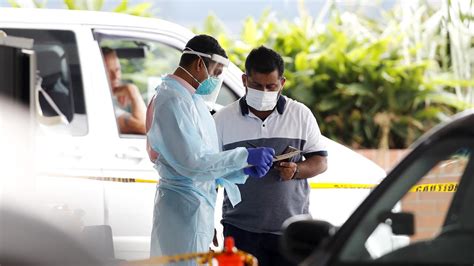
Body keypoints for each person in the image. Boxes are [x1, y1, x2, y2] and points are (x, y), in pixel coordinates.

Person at [146, 35, 275, 263]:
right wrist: (244, 156)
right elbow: (193, 163)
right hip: (182, 211)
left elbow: (207, 159)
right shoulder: (172, 100)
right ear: (198, 64)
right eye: (215, 72)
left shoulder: (191, 100)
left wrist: (240, 170)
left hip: (195, 208)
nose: (215, 79)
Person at [214, 46, 328, 266]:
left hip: (292, 231)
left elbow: (320, 161)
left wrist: (296, 170)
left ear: (282, 83)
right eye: (257, 86)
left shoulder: (301, 115)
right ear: (245, 80)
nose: (264, 92)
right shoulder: (223, 120)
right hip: (240, 229)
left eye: (271, 86)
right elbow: (210, 175)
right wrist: (205, 224)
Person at [102, 47, 147, 134]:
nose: (115, 76)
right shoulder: (98, 106)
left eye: (117, 70)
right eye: (108, 71)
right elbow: (145, 127)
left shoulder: (108, 101)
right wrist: (132, 90)